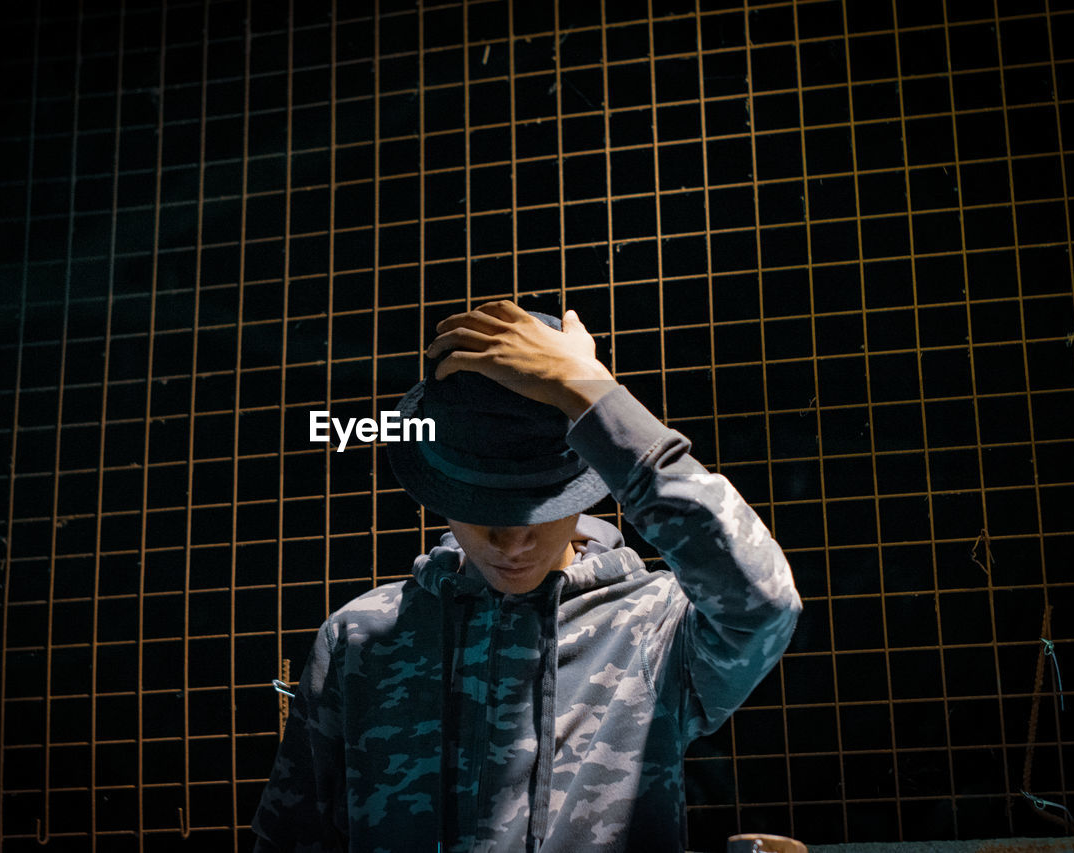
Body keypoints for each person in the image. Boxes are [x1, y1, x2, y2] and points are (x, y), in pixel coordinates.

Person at [252, 301, 801, 851]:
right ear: (440, 490)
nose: (513, 541)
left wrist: (591, 393)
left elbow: (764, 603)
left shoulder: (657, 628)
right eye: (484, 506)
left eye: (538, 506)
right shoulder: (359, 639)